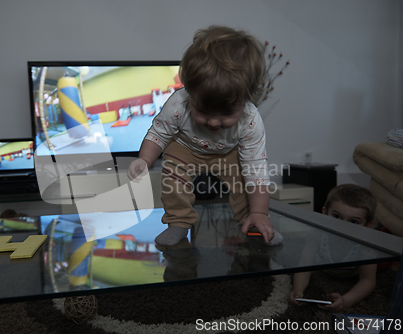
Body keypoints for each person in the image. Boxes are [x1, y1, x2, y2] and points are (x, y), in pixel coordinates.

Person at [127, 26, 281, 247]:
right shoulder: (179, 103)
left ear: (247, 96)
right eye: (204, 111)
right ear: (190, 90)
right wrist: (145, 159)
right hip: (186, 148)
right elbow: (158, 134)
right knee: (174, 177)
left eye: (226, 114)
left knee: (244, 180)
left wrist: (260, 211)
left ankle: (254, 221)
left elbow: (256, 170)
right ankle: (178, 222)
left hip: (228, 153)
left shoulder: (250, 120)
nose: (214, 122)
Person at [288, 184, 378, 312]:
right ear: (324, 213)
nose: (342, 226)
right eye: (336, 217)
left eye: (353, 222)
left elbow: (368, 280)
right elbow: (305, 265)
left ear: (367, 225)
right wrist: (297, 290)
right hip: (323, 268)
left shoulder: (367, 246)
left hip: (352, 274)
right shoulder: (317, 233)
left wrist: (346, 301)